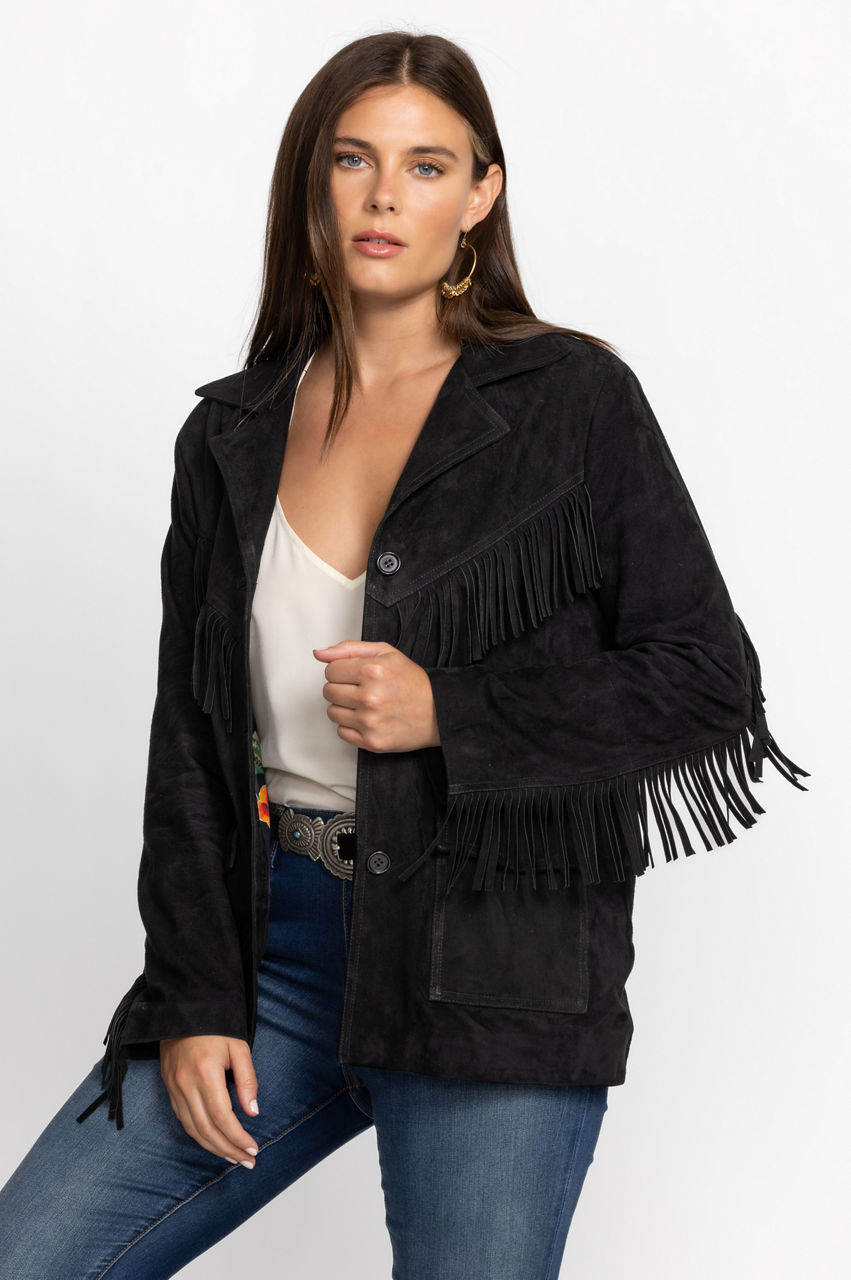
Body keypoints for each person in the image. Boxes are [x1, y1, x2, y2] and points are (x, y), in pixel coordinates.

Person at [0, 29, 809, 1280]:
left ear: (479, 195)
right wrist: (197, 993)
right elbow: (191, 746)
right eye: (353, 160)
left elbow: (707, 677)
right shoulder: (231, 434)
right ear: (311, 183)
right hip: (276, 952)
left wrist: (453, 710)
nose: (384, 196)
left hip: (491, 966)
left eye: (426, 166)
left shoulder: (570, 404)